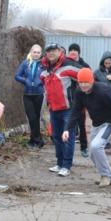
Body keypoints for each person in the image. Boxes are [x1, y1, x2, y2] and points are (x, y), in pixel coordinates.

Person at [62, 68, 111, 186]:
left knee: (97, 146)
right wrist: (67, 129)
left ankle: (106, 176)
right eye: (81, 82)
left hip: (110, 122)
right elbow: (75, 111)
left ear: (92, 81)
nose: (83, 85)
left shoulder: (103, 91)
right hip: (97, 124)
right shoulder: (79, 92)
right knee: (92, 152)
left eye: (86, 82)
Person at [40, 43, 80, 177]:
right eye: (48, 51)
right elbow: (45, 86)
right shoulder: (44, 70)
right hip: (53, 109)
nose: (51, 53)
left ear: (59, 51)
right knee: (56, 137)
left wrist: (81, 98)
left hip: (69, 109)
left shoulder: (69, 65)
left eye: (54, 50)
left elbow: (85, 76)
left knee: (68, 137)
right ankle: (59, 163)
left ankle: (67, 165)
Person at [15, 44, 45, 148]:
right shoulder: (26, 63)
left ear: (41, 53)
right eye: (34, 52)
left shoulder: (43, 64)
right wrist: (25, 80)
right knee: (31, 118)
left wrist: (41, 82)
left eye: (38, 52)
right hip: (27, 94)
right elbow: (17, 76)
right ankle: (37, 140)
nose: (36, 54)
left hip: (39, 94)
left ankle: (34, 140)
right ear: (31, 52)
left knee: (36, 118)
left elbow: (48, 75)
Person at [68, 43, 89, 157]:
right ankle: (67, 146)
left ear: (79, 53)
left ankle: (84, 147)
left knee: (81, 124)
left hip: (81, 99)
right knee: (69, 124)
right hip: (68, 98)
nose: (73, 52)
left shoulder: (84, 65)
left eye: (75, 50)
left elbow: (90, 79)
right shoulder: (66, 64)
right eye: (71, 50)